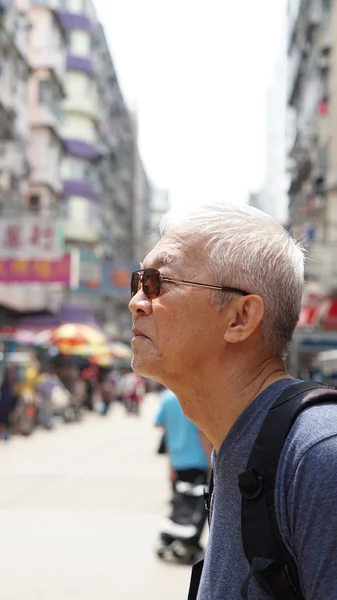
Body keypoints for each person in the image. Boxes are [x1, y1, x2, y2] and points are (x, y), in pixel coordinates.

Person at [129, 202, 337, 599]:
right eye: (137, 282)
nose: (137, 302)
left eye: (158, 283)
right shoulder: (238, 446)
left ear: (241, 318)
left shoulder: (318, 457)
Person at [155, 388, 211, 563]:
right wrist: (213, 464)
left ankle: (179, 539)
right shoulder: (197, 395)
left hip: (177, 462)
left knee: (180, 505)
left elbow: (165, 431)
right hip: (198, 461)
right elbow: (203, 433)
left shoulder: (166, 398)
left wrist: (170, 466)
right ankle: (190, 541)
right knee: (197, 508)